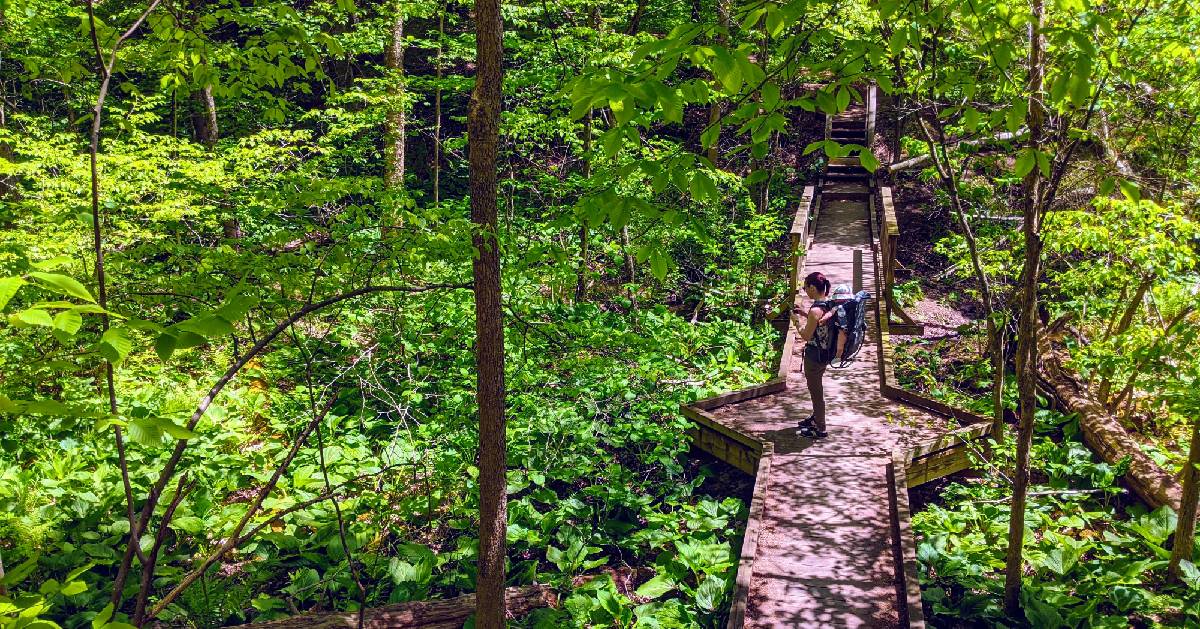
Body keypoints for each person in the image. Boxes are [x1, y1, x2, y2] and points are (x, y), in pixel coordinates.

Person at [793, 271, 835, 439]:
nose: (805, 291)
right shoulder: (829, 304)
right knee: (816, 390)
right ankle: (816, 418)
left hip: (814, 356)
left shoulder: (815, 310)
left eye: (805, 288)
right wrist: (804, 314)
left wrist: (796, 321)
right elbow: (820, 324)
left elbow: (806, 336)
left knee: (816, 392)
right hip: (825, 353)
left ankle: (820, 428)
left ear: (812, 287)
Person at [819, 284, 853, 361]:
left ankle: (838, 356)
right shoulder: (851, 305)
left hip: (843, 328)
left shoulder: (838, 307)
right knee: (844, 342)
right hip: (849, 326)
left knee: (840, 344)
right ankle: (845, 353)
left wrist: (823, 319)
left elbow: (831, 313)